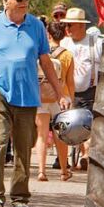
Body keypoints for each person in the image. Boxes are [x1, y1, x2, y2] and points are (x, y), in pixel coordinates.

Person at [0, 0, 71, 207]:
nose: (24, 2)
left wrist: (61, 94)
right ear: (6, 1)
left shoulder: (36, 26)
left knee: (23, 148)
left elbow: (46, 61)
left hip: (28, 94)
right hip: (0, 93)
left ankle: (19, 200)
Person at [60, 7, 102, 169]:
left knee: (87, 124)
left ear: (81, 26)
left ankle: (86, 155)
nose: (67, 29)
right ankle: (70, 156)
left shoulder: (95, 43)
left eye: (71, 25)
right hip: (67, 93)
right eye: (67, 25)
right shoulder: (64, 43)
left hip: (89, 92)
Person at [34, 21, 75, 182]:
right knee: (61, 136)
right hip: (60, 99)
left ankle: (41, 171)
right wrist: (71, 100)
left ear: (48, 34)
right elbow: (70, 81)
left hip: (40, 97)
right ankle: (64, 171)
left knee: (42, 135)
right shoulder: (67, 55)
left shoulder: (40, 52)